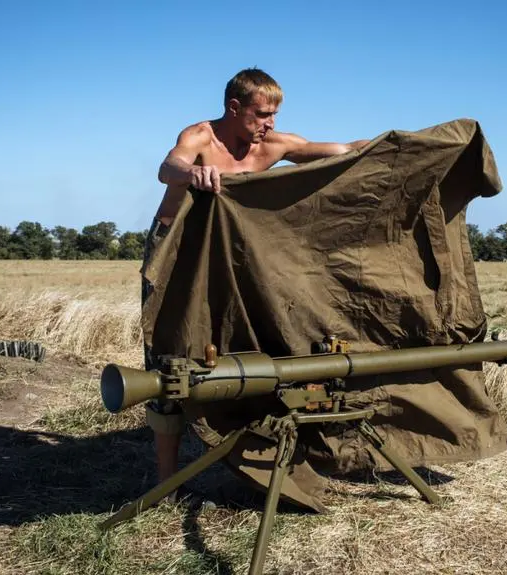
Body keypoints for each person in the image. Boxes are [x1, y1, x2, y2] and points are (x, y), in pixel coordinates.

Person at [141, 67, 370, 496]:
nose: (270, 124)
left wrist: (386, 146)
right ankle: (165, 484)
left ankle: (246, 444)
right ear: (234, 107)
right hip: (176, 249)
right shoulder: (200, 137)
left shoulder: (272, 144)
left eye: (275, 114)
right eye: (263, 113)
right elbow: (168, 166)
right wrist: (193, 175)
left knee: (245, 341)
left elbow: (338, 149)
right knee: (169, 354)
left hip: (234, 252)